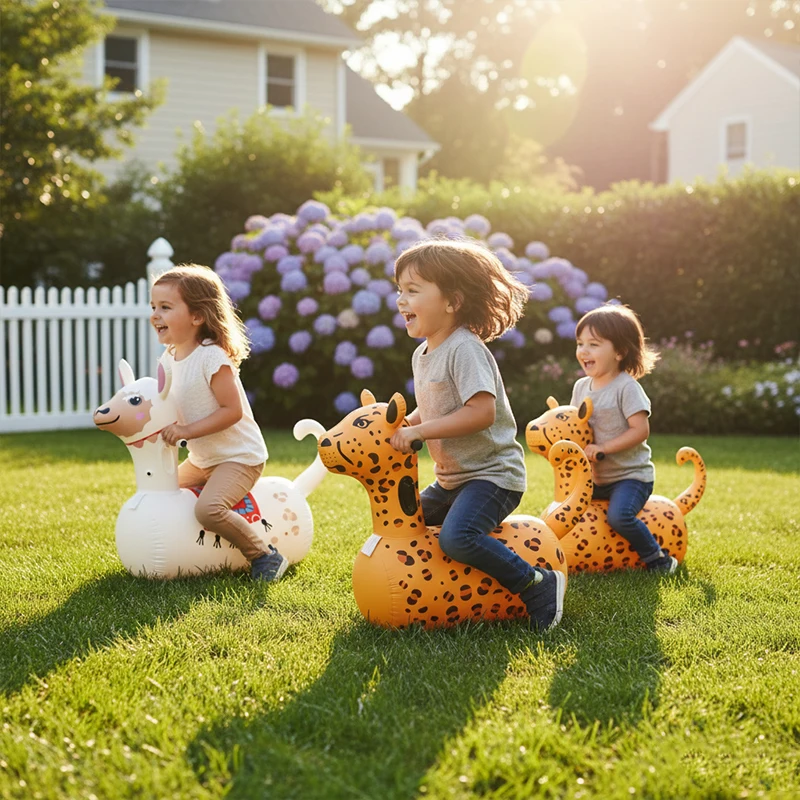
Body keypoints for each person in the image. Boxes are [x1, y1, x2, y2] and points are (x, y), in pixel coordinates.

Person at [389, 239, 565, 631]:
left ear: (452, 302)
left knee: (458, 538)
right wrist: (407, 425)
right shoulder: (423, 355)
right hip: (452, 479)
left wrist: (418, 430)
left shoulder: (465, 349)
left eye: (413, 291)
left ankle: (537, 583)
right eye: (399, 290)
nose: (401, 300)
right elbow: (436, 407)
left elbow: (480, 412)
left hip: (492, 477)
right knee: (406, 518)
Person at [150, 264, 287, 582]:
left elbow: (231, 411)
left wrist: (184, 431)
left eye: (166, 307)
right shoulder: (168, 359)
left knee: (207, 510)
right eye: (153, 307)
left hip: (239, 457)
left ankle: (265, 555)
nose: (156, 315)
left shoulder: (212, 356)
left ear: (197, 317)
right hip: (203, 459)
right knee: (159, 489)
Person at [571, 303, 677, 573]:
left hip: (630, 477)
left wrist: (603, 447)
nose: (583, 350)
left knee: (619, 517)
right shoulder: (581, 387)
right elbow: (575, 425)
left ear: (620, 351)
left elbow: (640, 430)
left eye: (593, 344)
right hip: (596, 478)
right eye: (580, 343)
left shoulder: (627, 387)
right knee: (569, 509)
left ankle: (658, 559)